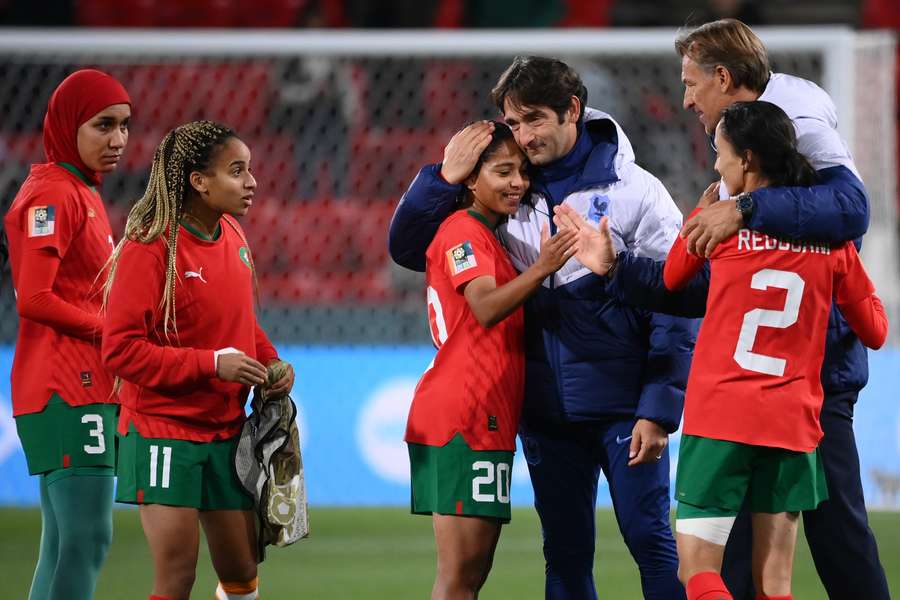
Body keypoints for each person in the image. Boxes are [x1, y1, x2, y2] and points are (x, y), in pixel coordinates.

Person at [560, 18, 891, 600]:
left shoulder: (731, 215)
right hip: (798, 405)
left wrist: (729, 217)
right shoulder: (827, 244)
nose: (686, 99)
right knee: (790, 566)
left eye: (691, 84)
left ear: (723, 78)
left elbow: (677, 284)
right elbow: (875, 326)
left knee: (712, 571)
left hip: (732, 410)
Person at [390, 56, 696, 600]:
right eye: (514, 122)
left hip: (624, 407)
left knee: (651, 542)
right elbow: (413, 248)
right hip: (544, 413)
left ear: (571, 110)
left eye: (534, 119)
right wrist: (439, 179)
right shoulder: (504, 191)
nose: (524, 137)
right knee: (566, 552)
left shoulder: (637, 191)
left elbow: (674, 306)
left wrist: (657, 407)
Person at [101, 120, 295, 600]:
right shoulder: (149, 248)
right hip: (163, 433)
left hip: (226, 433)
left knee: (241, 572)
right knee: (177, 577)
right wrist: (211, 365)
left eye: (249, 169)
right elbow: (120, 351)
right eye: (237, 171)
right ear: (198, 181)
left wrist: (271, 363)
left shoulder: (232, 234)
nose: (251, 182)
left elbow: (241, 324)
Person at [406, 122, 576, 600]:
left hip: (479, 413)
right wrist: (543, 268)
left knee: (469, 576)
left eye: (522, 171)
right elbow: (483, 307)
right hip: (466, 413)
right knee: (461, 578)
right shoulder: (463, 231)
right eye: (503, 171)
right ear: (470, 180)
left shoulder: (485, 234)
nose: (517, 182)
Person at [3, 68, 130, 600]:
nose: (119, 140)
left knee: (61, 543)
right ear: (68, 125)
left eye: (124, 126)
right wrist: (112, 330)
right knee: (86, 537)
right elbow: (33, 298)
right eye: (103, 125)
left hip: (81, 381)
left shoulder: (78, 190)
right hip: (65, 385)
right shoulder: (53, 194)